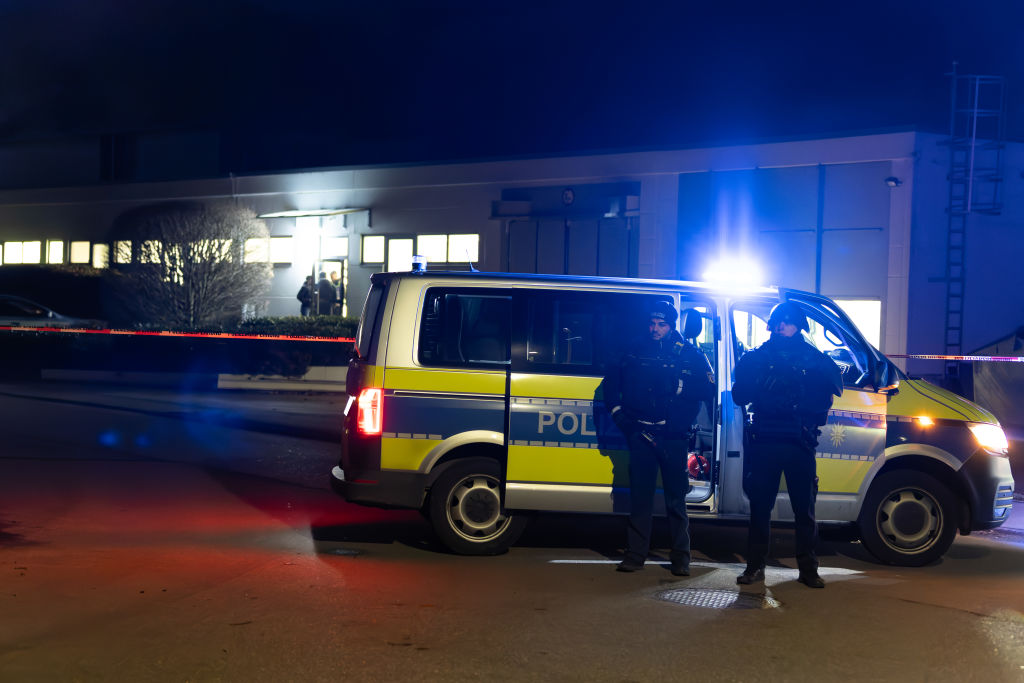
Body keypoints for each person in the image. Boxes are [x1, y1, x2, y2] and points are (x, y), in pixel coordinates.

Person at [731, 302, 843, 589]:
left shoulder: (814, 360)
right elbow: (739, 395)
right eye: (777, 322)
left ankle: (808, 569)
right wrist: (760, 385)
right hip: (766, 441)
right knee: (759, 509)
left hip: (799, 443)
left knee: (804, 511)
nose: (781, 326)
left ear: (799, 326)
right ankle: (755, 566)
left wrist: (798, 405)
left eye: (788, 322)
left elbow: (830, 396)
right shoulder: (757, 358)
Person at [604, 301, 715, 575]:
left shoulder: (690, 355)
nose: (655, 329)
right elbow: (610, 386)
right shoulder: (633, 350)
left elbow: (708, 390)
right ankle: (635, 555)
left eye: (662, 324)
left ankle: (681, 558)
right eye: (652, 323)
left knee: (676, 500)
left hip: (674, 438)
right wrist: (620, 418)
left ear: (672, 325)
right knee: (640, 499)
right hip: (640, 434)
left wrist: (679, 387)